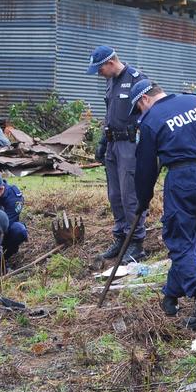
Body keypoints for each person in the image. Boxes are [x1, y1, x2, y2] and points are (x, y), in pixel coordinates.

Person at [130, 79, 196, 330]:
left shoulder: (151, 120)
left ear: (144, 100)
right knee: (193, 238)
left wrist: (143, 199)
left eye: (138, 109)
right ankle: (171, 294)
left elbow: (144, 168)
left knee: (178, 239)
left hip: (182, 178)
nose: (141, 113)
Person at [88, 45, 147, 263]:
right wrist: (103, 142)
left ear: (110, 63)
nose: (98, 74)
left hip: (130, 145)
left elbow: (151, 109)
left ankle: (136, 243)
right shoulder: (110, 81)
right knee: (114, 195)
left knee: (129, 194)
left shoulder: (136, 79)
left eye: (100, 69)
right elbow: (110, 113)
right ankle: (121, 238)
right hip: (112, 144)